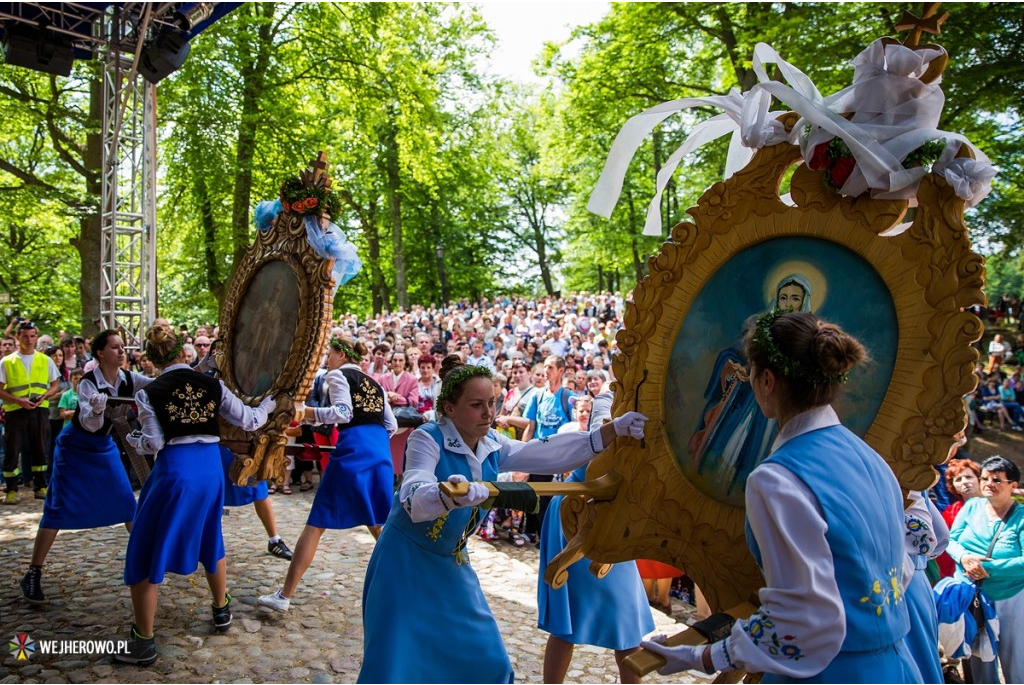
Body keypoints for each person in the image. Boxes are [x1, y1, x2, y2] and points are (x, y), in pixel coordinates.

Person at [642, 309, 920, 682]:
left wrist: (701, 656)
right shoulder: (870, 458)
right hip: (896, 665)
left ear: (766, 380)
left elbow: (803, 620)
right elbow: (898, 571)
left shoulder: (777, 480)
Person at [357, 355, 648, 683]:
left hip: (451, 561)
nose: (488, 413)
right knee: (394, 660)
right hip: (403, 560)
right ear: (450, 408)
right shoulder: (427, 438)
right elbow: (412, 495)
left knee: (487, 659)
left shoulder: (493, 443)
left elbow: (546, 452)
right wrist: (447, 494)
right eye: (476, 405)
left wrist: (610, 432)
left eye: (492, 403)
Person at [114, 325, 276, 665]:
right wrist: (272, 403)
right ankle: (221, 609)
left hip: (176, 470)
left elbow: (154, 443)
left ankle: (142, 641)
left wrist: (134, 441)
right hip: (209, 470)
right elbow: (250, 421)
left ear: (150, 358)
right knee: (209, 534)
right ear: (183, 351)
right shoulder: (212, 384)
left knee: (143, 545)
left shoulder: (149, 392)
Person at [258, 337, 395, 613]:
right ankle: (411, 583)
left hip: (354, 451)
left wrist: (307, 412)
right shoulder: (376, 383)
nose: (327, 360)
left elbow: (343, 413)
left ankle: (284, 595)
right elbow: (390, 425)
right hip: (380, 452)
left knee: (317, 522)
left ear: (341, 356)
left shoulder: (337, 375)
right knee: (379, 523)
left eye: (329, 355)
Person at [18, 330, 155, 605]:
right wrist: (94, 410)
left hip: (103, 448)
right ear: (101, 353)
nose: (121, 351)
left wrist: (193, 371)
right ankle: (33, 572)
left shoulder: (130, 379)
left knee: (128, 503)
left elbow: (160, 383)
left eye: (122, 347)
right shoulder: (87, 384)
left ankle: (149, 558)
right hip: (75, 448)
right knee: (56, 507)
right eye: (115, 347)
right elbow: (89, 423)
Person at [538, 391, 654, 684]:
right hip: (577, 511)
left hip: (615, 515)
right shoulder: (610, 395)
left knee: (627, 622)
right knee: (568, 618)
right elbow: (598, 437)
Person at [689, 274, 812, 499]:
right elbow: (732, 354)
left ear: (804, 301)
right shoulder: (762, 327)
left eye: (795, 298)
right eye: (783, 297)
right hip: (750, 404)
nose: (788, 303)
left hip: (788, 409)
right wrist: (733, 366)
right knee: (736, 452)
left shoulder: (810, 336)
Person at [945, 456, 1023, 684]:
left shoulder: (1021, 517)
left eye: (997, 479)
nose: (989, 483)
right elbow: (951, 541)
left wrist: (988, 568)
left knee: (1016, 659)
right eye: (985, 478)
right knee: (979, 662)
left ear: (1013, 486)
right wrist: (964, 557)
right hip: (973, 596)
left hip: (1011, 598)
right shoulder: (971, 507)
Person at [1, 321, 60, 504]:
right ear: (18, 337)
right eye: (25, 336)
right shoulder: (7, 362)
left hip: (39, 409)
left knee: (40, 447)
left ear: (36, 336)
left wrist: (44, 397)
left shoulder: (45, 360)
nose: (29, 340)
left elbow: (55, 385)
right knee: (12, 449)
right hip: (15, 410)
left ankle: (40, 486)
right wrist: (18, 401)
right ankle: (11, 488)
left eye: (32, 336)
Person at [901, 490, 948, 683]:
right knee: (924, 660)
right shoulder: (914, 479)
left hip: (900, 585)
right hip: (917, 583)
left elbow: (928, 539)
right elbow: (941, 536)